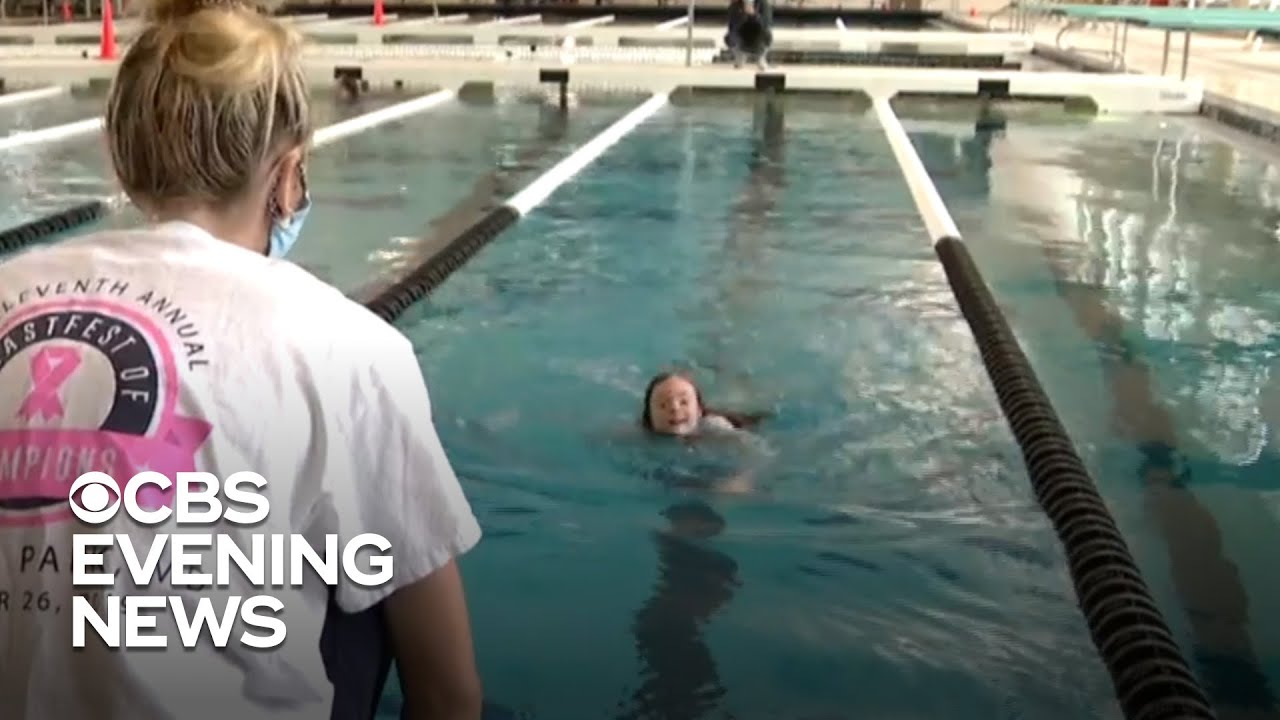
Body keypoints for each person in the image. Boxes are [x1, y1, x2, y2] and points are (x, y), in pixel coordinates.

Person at [0, 1, 483, 719]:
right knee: (371, 560)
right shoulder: (348, 345)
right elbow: (448, 694)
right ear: (287, 176)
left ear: (120, 157)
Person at [640, 371, 768, 439]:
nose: (674, 408)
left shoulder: (715, 428)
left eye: (684, 402)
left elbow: (756, 452)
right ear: (649, 417)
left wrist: (743, 478)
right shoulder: (641, 435)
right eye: (662, 405)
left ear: (699, 410)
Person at [725, 0, 773, 70]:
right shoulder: (735, 5)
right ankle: (740, 56)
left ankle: (760, 58)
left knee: (768, 35)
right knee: (729, 37)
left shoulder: (764, 4)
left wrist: (754, 15)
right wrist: (743, 15)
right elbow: (732, 26)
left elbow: (766, 24)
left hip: (757, 33)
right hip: (741, 33)